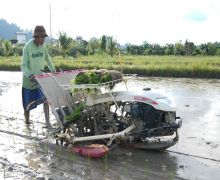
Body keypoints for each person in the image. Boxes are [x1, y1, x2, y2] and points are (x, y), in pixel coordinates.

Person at [21, 25, 56, 127]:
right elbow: (23, 66)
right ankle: (27, 121)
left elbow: (48, 59)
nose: (43, 40)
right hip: (29, 81)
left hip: (41, 80)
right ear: (36, 38)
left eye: (44, 38)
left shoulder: (43, 47)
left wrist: (52, 69)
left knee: (46, 100)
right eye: (41, 38)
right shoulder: (27, 47)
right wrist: (30, 75)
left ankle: (47, 122)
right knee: (27, 106)